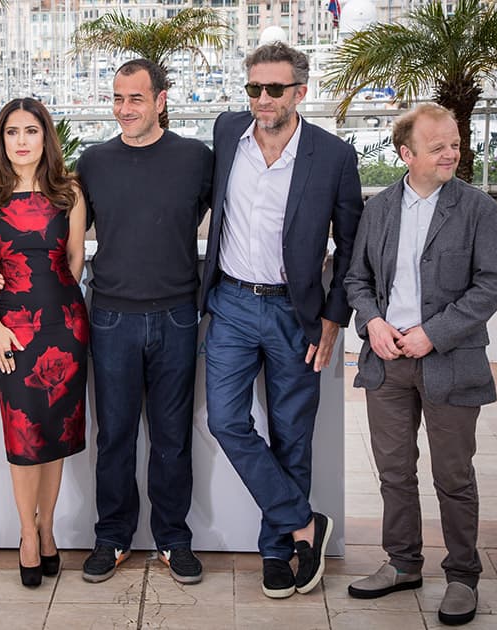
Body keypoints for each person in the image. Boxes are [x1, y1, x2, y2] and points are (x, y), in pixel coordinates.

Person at [200, 42, 363, 599]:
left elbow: (351, 246)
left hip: (298, 314)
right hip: (232, 306)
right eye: (253, 88)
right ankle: (304, 522)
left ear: (300, 91)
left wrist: (333, 319)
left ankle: (278, 551)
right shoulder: (227, 134)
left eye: (274, 88)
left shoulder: (334, 156)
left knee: (293, 436)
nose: (261, 99)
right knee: (226, 420)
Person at [344, 103, 497, 626]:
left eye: (455, 143)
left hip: (450, 362)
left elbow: (493, 283)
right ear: (406, 153)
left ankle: (463, 575)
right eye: (438, 146)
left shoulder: (477, 208)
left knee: (453, 476)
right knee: (395, 473)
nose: (451, 153)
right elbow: (357, 280)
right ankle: (402, 563)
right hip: (386, 360)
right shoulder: (379, 209)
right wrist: (373, 323)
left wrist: (431, 335)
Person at [78, 59, 213, 585]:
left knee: (172, 437)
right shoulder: (93, 163)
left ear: (160, 100)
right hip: (111, 318)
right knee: (113, 435)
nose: (124, 109)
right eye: (117, 98)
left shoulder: (196, 159)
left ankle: (173, 539)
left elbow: (231, 215)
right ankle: (111, 537)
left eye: (135, 98)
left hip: (178, 315)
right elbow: (62, 233)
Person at [0, 98, 88, 587]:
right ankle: (26, 535)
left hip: (67, 325)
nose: (21, 141)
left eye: (30, 131)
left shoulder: (69, 190)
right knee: (24, 434)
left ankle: (50, 528)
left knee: (56, 433)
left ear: (45, 137)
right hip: (11, 329)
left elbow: (75, 259)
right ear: (1, 139)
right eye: (12, 131)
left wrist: (61, 309)